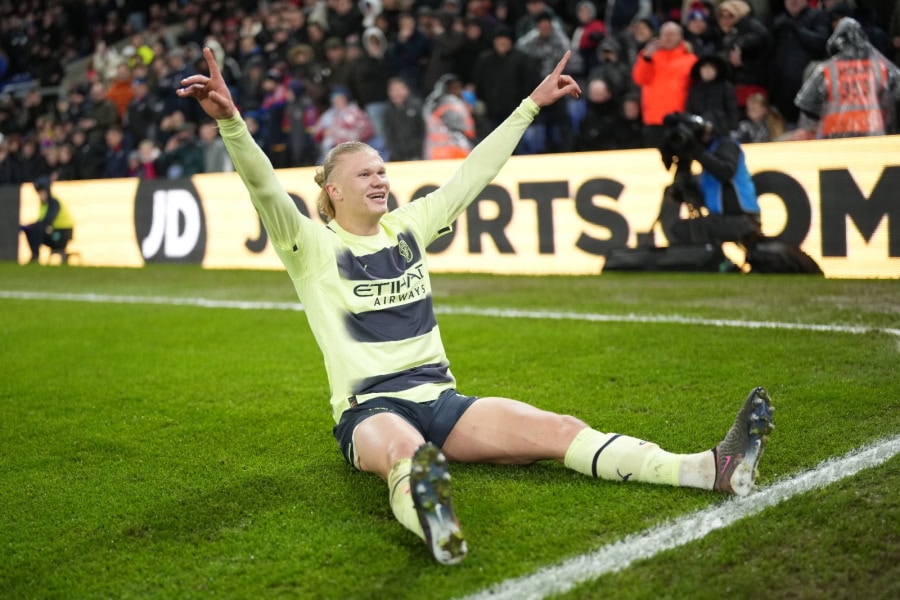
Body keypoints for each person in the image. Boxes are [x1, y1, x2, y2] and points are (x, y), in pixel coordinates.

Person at [177, 46, 776, 567]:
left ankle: (708, 469)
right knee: (406, 456)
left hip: (440, 399)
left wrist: (530, 106)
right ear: (332, 190)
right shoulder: (311, 244)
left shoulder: (411, 225)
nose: (380, 180)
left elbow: (474, 174)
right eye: (364, 175)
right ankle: (436, 524)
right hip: (370, 408)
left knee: (561, 430)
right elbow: (263, 186)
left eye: (382, 171)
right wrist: (233, 122)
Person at [657, 112, 762, 248]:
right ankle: (719, 262)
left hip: (743, 219)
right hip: (724, 219)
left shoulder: (727, 145)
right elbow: (698, 195)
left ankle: (714, 263)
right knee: (684, 228)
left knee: (682, 229)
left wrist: (697, 152)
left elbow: (726, 172)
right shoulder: (707, 161)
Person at [791, 17, 900, 140]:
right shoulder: (880, 67)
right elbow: (896, 95)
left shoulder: (827, 70)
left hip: (835, 135)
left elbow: (807, 105)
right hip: (873, 134)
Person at [20, 176, 75, 264]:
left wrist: (34, 226)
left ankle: (35, 256)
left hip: (61, 234)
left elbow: (47, 221)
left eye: (42, 193)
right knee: (30, 230)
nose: (40, 196)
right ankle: (34, 255)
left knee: (35, 229)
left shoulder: (54, 203)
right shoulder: (43, 204)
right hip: (54, 232)